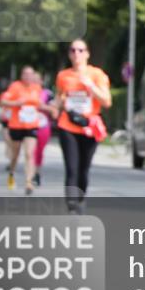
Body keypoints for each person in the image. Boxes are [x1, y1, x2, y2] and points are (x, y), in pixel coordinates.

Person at [52, 39, 112, 213]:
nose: (76, 54)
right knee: (71, 167)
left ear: (87, 54)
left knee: (83, 168)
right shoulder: (63, 76)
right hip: (67, 125)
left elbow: (106, 101)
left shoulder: (97, 74)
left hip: (89, 127)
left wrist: (90, 86)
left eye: (80, 50)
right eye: (73, 50)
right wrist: (57, 105)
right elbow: (60, 97)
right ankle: (71, 204)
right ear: (69, 54)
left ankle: (80, 198)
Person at [0, 66, 50, 195]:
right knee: (15, 154)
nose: (28, 77)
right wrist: (16, 103)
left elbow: (39, 104)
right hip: (16, 126)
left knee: (29, 153)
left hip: (31, 125)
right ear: (21, 76)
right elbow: (3, 101)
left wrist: (50, 109)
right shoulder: (15, 86)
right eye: (25, 74)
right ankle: (12, 171)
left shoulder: (36, 88)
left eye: (30, 74)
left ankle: (28, 182)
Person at [32, 73, 54, 187]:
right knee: (30, 150)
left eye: (37, 80)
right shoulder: (26, 92)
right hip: (29, 125)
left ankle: (37, 173)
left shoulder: (48, 94)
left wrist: (41, 106)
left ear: (41, 81)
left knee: (39, 151)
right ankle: (30, 174)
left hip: (43, 125)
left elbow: (53, 109)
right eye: (32, 80)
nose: (34, 82)